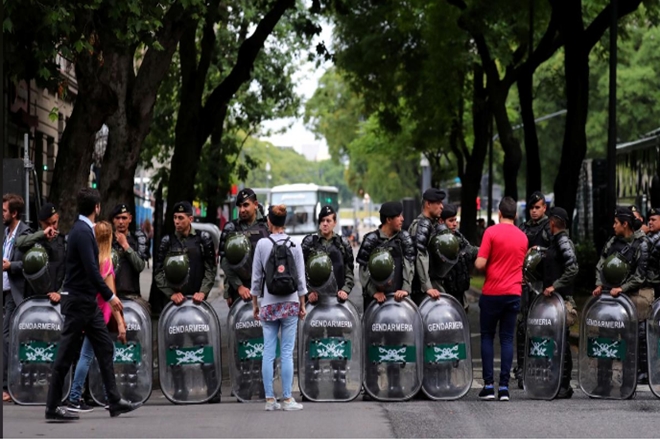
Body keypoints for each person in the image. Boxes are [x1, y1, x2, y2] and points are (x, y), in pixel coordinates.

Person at [45, 188, 140, 421]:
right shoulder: (82, 232)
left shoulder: (84, 230)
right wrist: (110, 296)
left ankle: (114, 400)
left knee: (105, 347)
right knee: (66, 354)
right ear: (97, 207)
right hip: (79, 302)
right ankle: (53, 406)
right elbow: (92, 270)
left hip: (87, 303)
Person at [154, 201, 219, 403]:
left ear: (190, 219)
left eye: (181, 218)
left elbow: (210, 268)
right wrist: (170, 293)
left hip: (198, 304)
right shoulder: (167, 241)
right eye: (174, 218)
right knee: (175, 348)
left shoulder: (202, 240)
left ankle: (212, 388)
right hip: (176, 306)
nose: (177, 221)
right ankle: (179, 389)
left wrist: (204, 291)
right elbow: (158, 272)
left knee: (203, 345)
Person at [65, 221, 127, 412]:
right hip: (99, 316)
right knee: (94, 355)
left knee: (96, 354)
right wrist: (121, 323)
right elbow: (112, 298)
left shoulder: (90, 260)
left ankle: (106, 397)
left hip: (86, 312)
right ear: (109, 238)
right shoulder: (106, 262)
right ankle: (80, 397)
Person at [250, 204, 307, 411]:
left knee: (268, 351)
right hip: (290, 303)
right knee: (286, 351)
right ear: (284, 223)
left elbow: (256, 279)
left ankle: (269, 400)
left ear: (269, 222)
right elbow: (300, 278)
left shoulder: (262, 245)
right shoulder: (294, 244)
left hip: (269, 303)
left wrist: (255, 304)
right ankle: (287, 399)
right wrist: (302, 303)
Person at [474, 197, 528, 401]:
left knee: (487, 336)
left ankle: (488, 386)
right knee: (507, 339)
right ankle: (504, 387)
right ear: (515, 215)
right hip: (513, 293)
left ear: (499, 213)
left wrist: (479, 258)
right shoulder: (523, 237)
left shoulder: (491, 232)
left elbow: (480, 264)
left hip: (492, 293)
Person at [593, 207, 651, 393]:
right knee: (605, 340)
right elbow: (601, 263)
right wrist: (599, 284)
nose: (613, 226)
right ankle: (603, 384)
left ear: (625, 224)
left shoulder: (642, 244)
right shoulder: (613, 241)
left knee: (628, 342)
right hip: (610, 297)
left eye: (616, 223)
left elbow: (640, 276)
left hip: (630, 298)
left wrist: (622, 289)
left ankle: (627, 385)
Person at [301, 205, 355, 399]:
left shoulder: (343, 244)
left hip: (336, 305)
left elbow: (350, 271)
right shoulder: (310, 244)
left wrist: (345, 291)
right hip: (316, 305)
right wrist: (308, 293)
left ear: (335, 222)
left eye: (329, 220)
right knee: (313, 344)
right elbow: (300, 271)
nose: (325, 224)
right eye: (322, 220)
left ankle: (340, 386)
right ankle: (311, 387)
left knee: (337, 344)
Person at [540, 207, 579, 398]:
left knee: (562, 342)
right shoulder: (555, 242)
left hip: (562, 300)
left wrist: (555, 286)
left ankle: (564, 384)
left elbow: (573, 268)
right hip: (553, 301)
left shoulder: (563, 241)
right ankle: (557, 382)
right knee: (555, 342)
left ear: (553, 223)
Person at [514, 191, 552, 388]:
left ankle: (544, 364)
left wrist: (539, 251)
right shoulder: (523, 228)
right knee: (522, 326)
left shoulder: (549, 227)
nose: (534, 211)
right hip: (526, 284)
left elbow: (556, 253)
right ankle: (522, 368)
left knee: (544, 326)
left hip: (544, 285)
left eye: (538, 207)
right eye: (532, 208)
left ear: (544, 207)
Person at [3, 194, 33, 403]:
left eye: (4, 210)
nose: (2, 214)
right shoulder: (6, 232)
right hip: (5, 291)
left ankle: (9, 385)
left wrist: (10, 266)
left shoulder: (25, 233)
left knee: (9, 337)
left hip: (16, 292)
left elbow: (29, 264)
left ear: (14, 213)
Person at [358, 201, 415, 310]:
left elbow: (410, 265)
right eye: (398, 216)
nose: (402, 219)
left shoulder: (404, 239)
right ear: (388, 220)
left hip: (399, 301)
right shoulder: (370, 240)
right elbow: (363, 270)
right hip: (375, 303)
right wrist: (374, 292)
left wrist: (405, 289)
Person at [219, 188, 269, 307]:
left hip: (265, 290)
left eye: (246, 205)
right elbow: (225, 261)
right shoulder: (231, 228)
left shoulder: (267, 226)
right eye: (239, 206)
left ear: (255, 205)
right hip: (241, 291)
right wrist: (237, 287)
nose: (242, 210)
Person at [15, 203, 66, 302]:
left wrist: (60, 293)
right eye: (47, 224)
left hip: (55, 301)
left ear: (58, 218)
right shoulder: (34, 238)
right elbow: (18, 243)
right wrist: (42, 234)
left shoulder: (64, 243)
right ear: (40, 223)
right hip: (34, 300)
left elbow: (69, 273)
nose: (51, 227)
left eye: (54, 223)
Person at [407, 188, 445, 305]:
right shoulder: (422, 224)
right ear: (428, 204)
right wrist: (427, 287)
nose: (442, 206)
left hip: (430, 285)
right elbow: (420, 255)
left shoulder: (431, 223)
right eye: (438, 203)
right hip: (422, 289)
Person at [439, 204, 479, 310]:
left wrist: (485, 250)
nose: (454, 224)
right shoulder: (437, 239)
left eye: (455, 220)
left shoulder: (457, 235)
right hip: (443, 292)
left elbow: (470, 250)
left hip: (459, 291)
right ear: (441, 221)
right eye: (451, 221)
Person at [111, 203, 149, 312]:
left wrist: (126, 246)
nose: (121, 222)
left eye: (124, 218)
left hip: (132, 297)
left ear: (130, 219)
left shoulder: (137, 239)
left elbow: (140, 266)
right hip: (112, 297)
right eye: (117, 218)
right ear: (113, 220)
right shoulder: (107, 240)